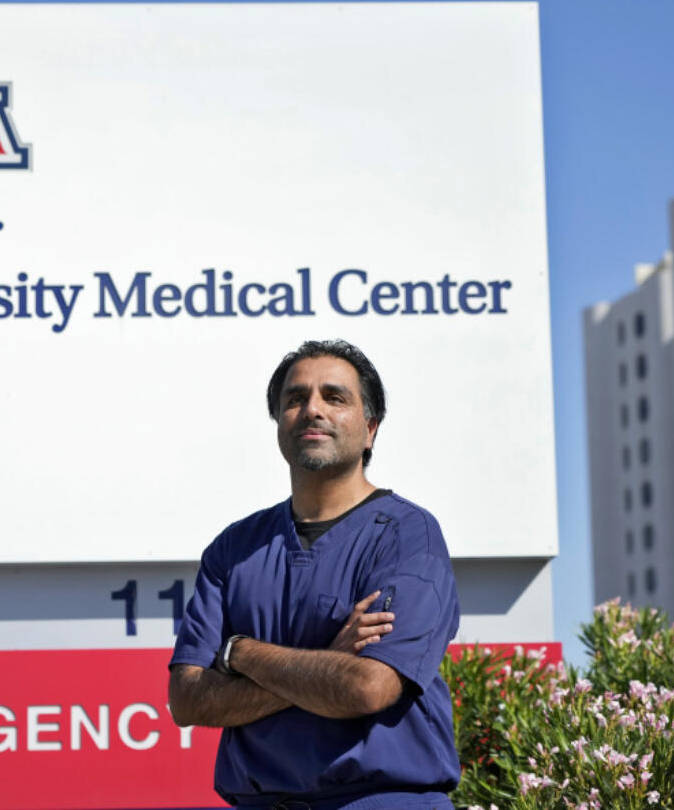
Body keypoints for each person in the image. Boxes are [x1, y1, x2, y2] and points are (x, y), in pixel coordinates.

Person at [168, 339, 461, 810]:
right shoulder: (234, 549)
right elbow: (188, 700)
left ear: (370, 429)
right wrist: (327, 659)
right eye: (295, 399)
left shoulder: (408, 535)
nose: (312, 410)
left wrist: (239, 652)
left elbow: (368, 687)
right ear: (279, 424)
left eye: (335, 397)